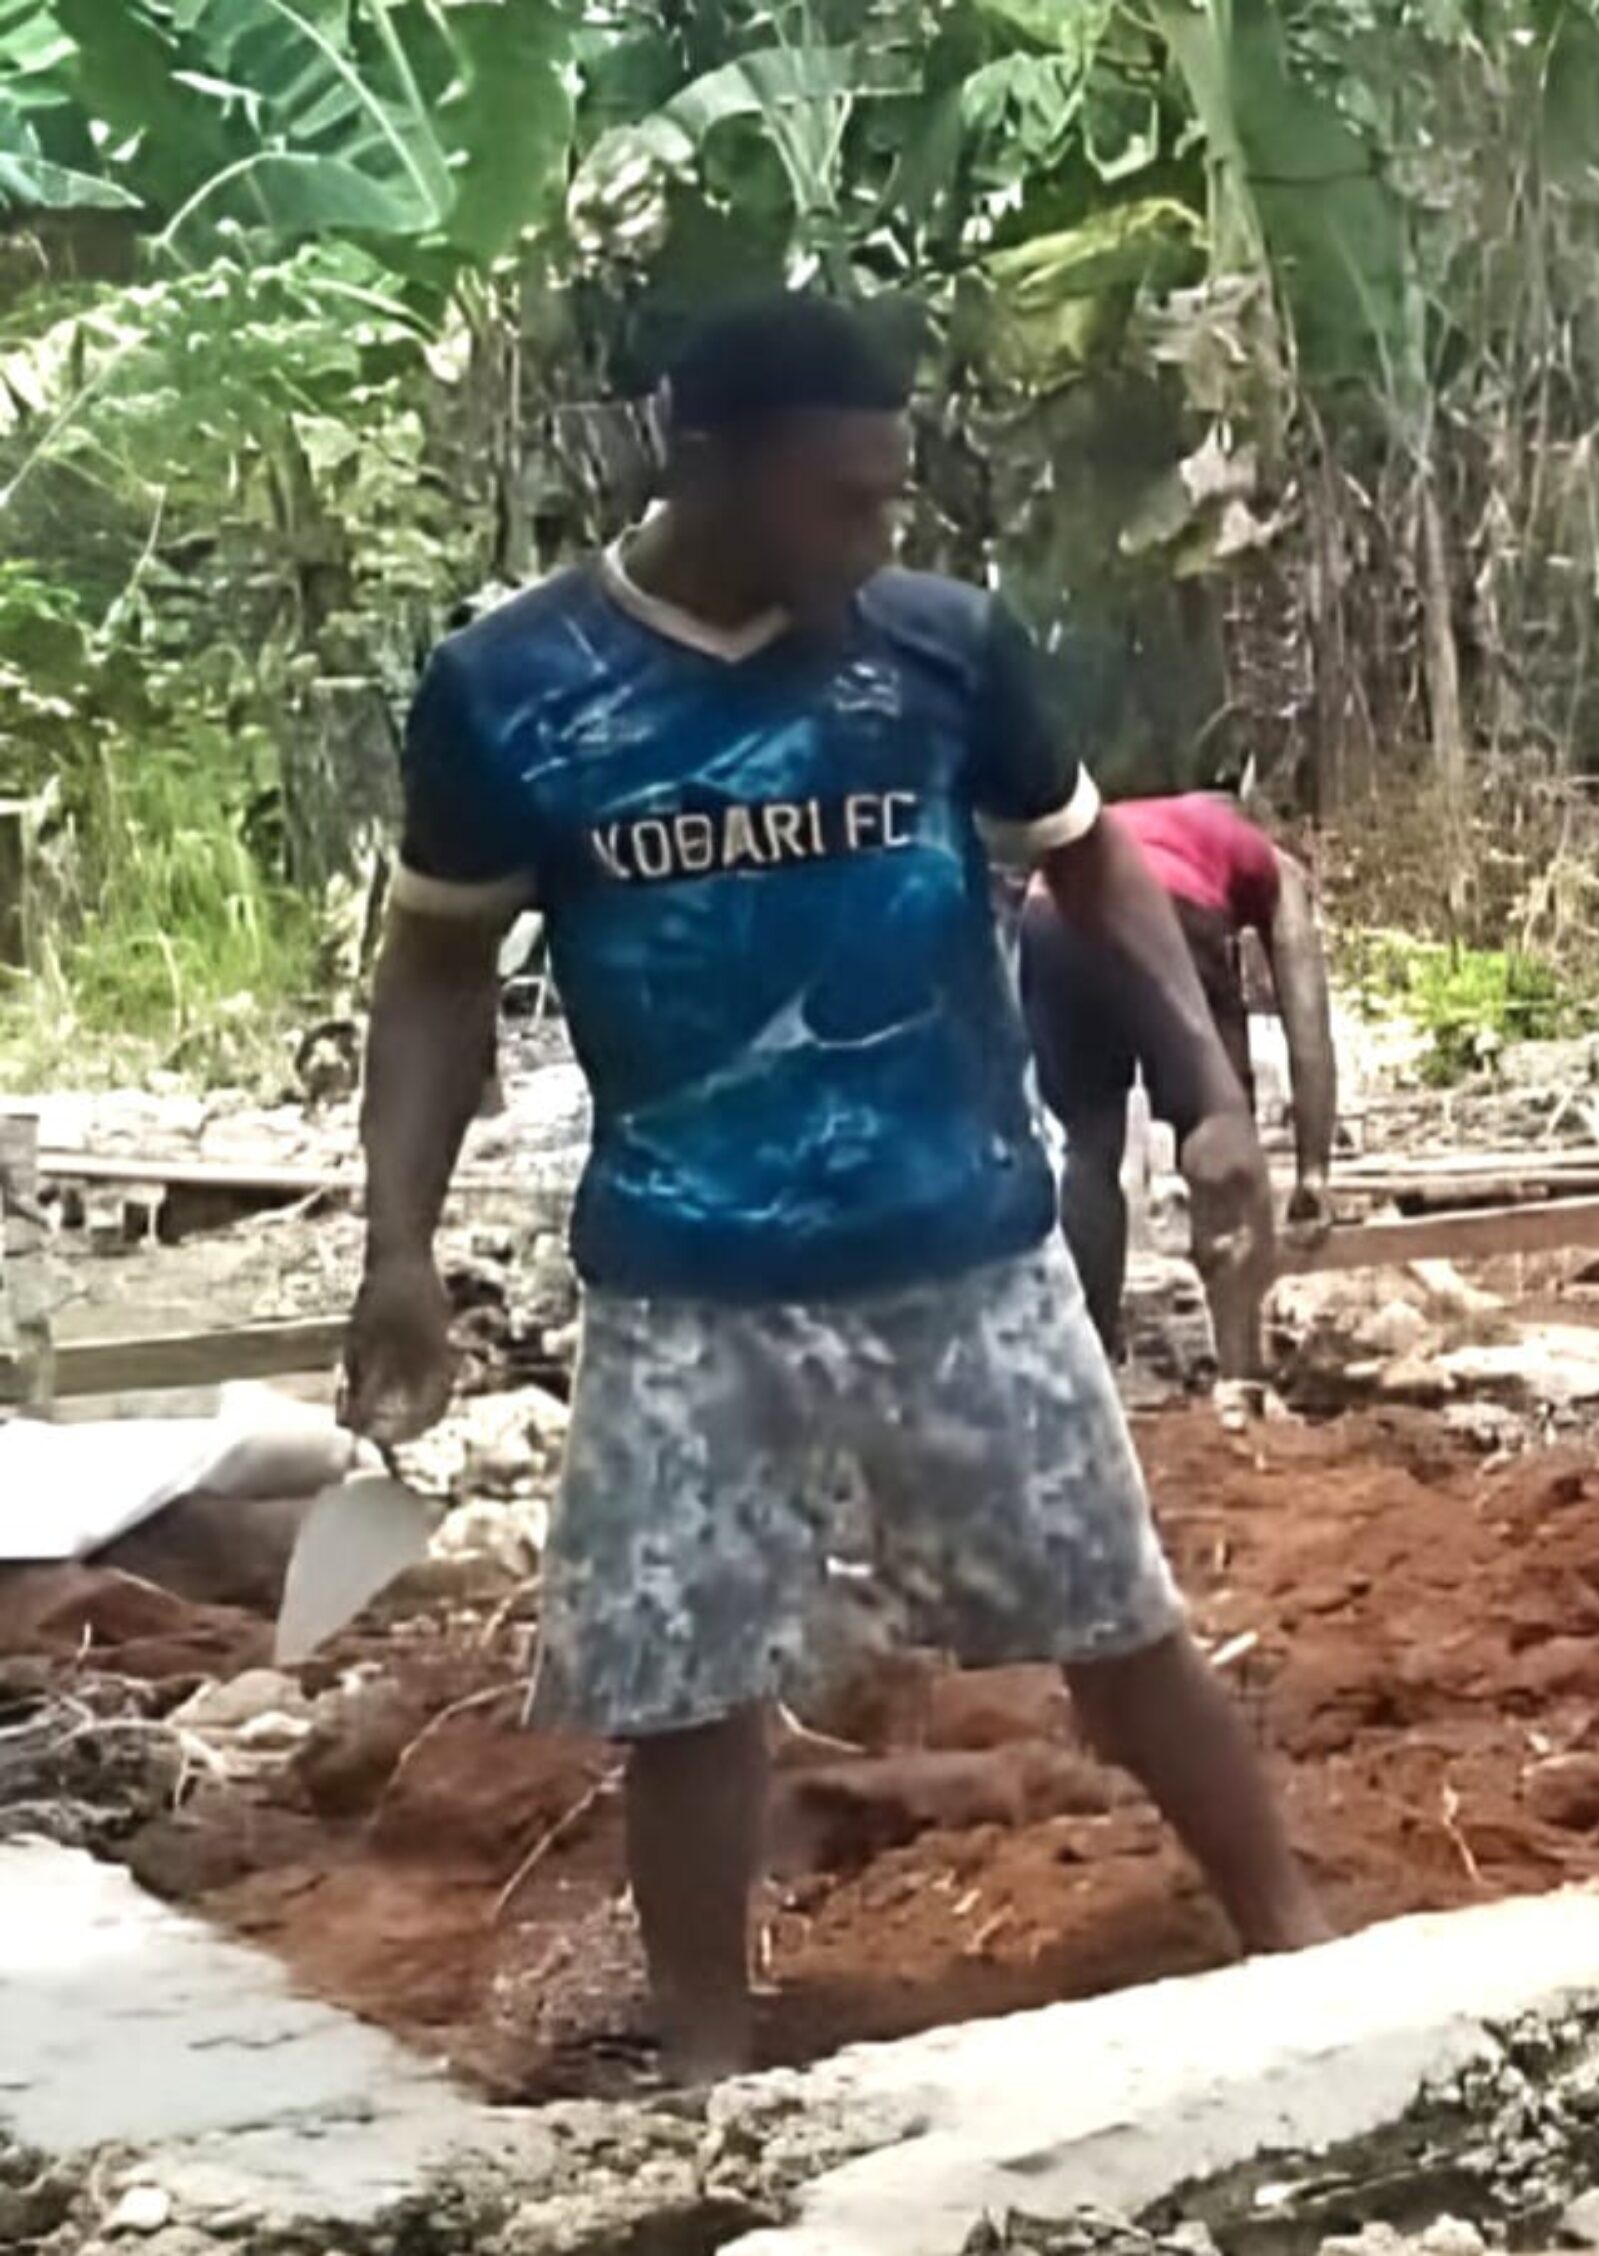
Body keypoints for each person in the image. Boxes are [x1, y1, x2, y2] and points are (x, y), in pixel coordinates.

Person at [343, 291, 1325, 2085]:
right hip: (688, 1275)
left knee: (1113, 1616)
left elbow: (1095, 867)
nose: (874, 543)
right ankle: (712, 2066)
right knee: (689, 1685)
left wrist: (1209, 1098)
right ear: (705, 465)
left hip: (966, 1244)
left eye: (890, 500)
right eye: (839, 502)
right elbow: (436, 973)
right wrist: (394, 1239)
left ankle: (1289, 1936)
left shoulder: (940, 651)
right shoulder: (512, 693)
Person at [1021, 791, 1343, 1372]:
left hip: (1048, 913)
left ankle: (1091, 1363)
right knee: (1218, 1124)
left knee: (1089, 1149)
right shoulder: (1273, 866)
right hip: (1165, 905)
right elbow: (1307, 1020)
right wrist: (1314, 1170)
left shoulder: (1160, 821)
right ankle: (1240, 1380)